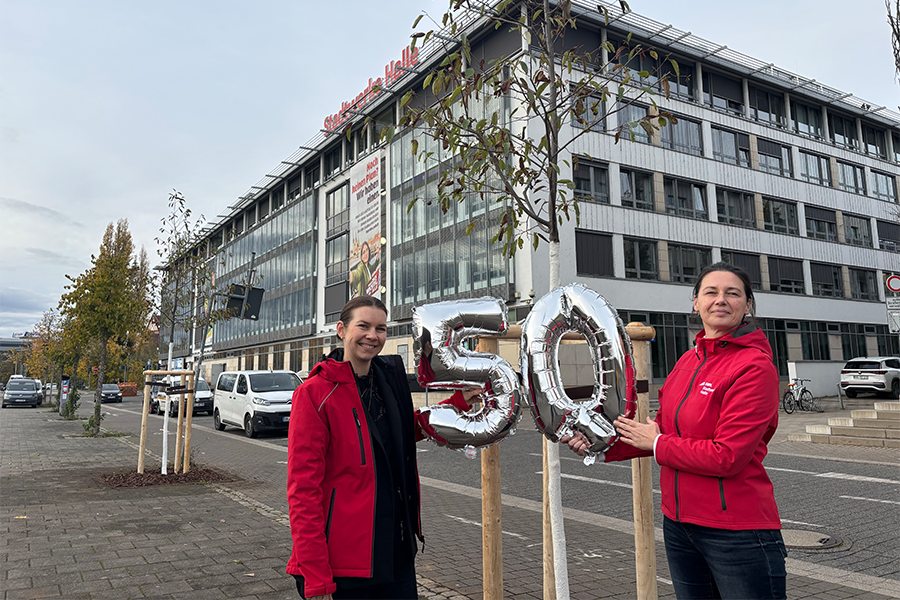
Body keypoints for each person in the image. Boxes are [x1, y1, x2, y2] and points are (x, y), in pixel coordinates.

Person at [563, 263, 786, 600]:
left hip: (737, 533)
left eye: (733, 293)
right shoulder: (687, 362)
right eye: (711, 292)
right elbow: (660, 432)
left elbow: (727, 456)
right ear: (695, 302)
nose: (721, 300)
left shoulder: (754, 367)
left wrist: (656, 441)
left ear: (748, 305)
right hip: (680, 527)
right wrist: (599, 445)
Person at [286, 296, 479, 600]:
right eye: (363, 326)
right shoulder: (314, 394)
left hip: (396, 548)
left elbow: (405, 429)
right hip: (346, 562)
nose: (372, 336)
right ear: (341, 329)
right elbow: (303, 490)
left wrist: (457, 403)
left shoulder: (389, 379)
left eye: (381, 328)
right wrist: (314, 573)